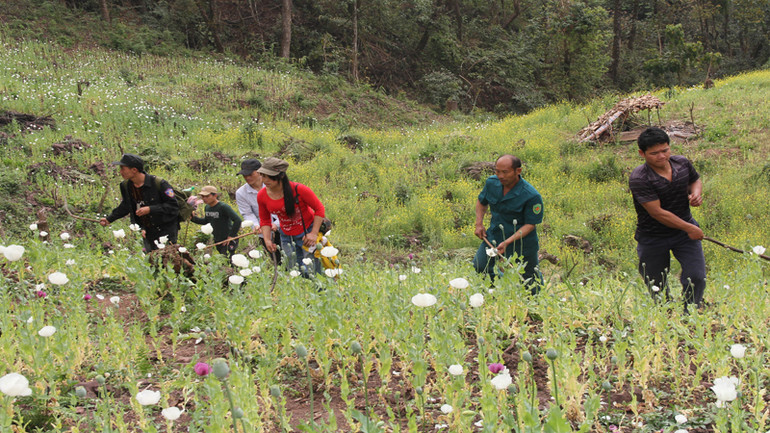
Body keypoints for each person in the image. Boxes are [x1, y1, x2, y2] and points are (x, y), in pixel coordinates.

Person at [629, 127, 705, 310]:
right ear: (642, 153)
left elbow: (695, 180)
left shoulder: (682, 164)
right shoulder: (640, 178)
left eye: (665, 150)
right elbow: (657, 212)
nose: (662, 156)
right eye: (654, 153)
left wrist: (696, 194)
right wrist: (689, 228)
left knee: (696, 276)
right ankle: (666, 315)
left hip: (684, 233)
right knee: (656, 285)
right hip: (653, 237)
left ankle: (691, 313)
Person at [473, 154, 544, 293]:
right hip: (494, 237)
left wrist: (508, 242)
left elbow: (530, 225)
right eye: (497, 171)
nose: (500, 176)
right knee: (480, 265)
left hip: (521, 243)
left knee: (528, 279)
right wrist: (479, 224)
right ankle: (496, 292)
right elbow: (482, 202)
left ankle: (536, 305)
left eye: (505, 172)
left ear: (518, 171)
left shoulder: (531, 195)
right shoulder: (492, 183)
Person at [257, 157, 325, 275]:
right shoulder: (262, 195)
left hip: (306, 234)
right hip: (286, 236)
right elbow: (265, 219)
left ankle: (321, 292)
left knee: (313, 269)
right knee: (294, 268)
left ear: (281, 176)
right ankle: (303, 293)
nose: (265, 180)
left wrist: (313, 233)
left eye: (270, 176)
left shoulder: (299, 189)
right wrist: (267, 239)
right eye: (263, 176)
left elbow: (319, 209)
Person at [100, 154, 179, 252]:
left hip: (166, 228)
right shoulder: (126, 186)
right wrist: (109, 219)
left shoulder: (159, 184)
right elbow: (126, 206)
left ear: (134, 170)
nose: (120, 172)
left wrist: (150, 209)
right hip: (147, 230)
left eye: (123, 168)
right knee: (151, 261)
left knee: (168, 258)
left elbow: (173, 206)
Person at [235, 159, 281, 263]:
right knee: (276, 258)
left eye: (250, 174)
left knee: (290, 255)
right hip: (264, 229)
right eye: (244, 175)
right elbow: (247, 213)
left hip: (284, 225)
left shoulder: (274, 185)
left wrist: (276, 224)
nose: (247, 178)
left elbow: (285, 208)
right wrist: (256, 225)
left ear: (260, 172)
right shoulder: (241, 193)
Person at [190, 185, 242, 257]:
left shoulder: (223, 207)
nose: (204, 198)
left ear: (215, 196)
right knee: (223, 258)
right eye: (202, 196)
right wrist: (193, 218)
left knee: (229, 258)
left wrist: (231, 236)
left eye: (207, 196)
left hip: (227, 240)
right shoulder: (207, 207)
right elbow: (206, 221)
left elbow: (237, 220)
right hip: (218, 239)